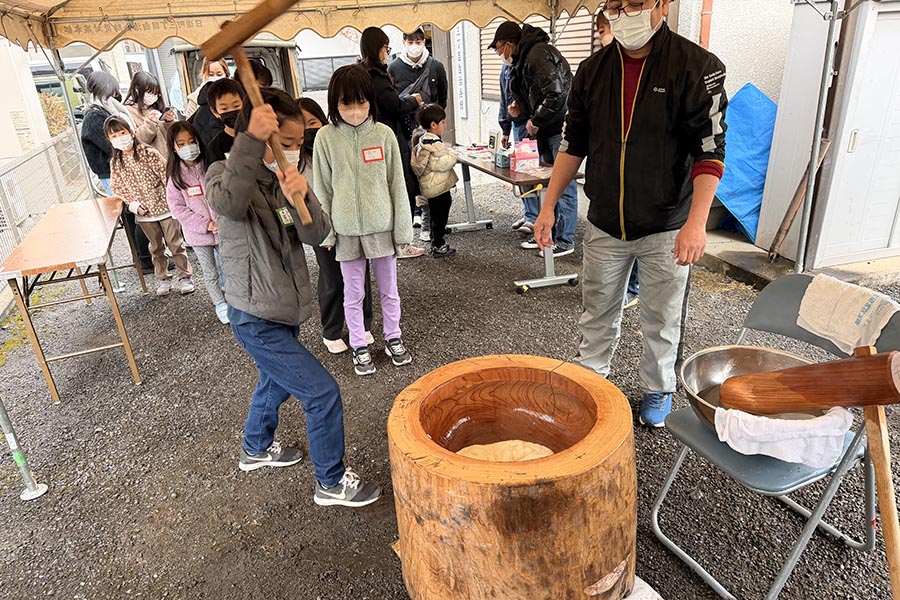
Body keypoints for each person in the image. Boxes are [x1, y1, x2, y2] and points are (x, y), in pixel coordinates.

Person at [534, 0, 728, 427]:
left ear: (662, 4)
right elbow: (573, 143)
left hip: (667, 225)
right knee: (597, 311)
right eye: (615, 6)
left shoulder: (697, 67)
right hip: (605, 222)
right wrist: (548, 205)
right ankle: (591, 383)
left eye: (635, 3)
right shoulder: (592, 71)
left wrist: (696, 222)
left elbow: (710, 151)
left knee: (662, 316)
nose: (624, 14)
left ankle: (658, 388)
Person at [206, 87, 381, 507]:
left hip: (282, 309)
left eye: (299, 142)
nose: (294, 151)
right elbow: (229, 204)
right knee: (321, 393)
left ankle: (254, 448)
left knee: (275, 381)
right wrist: (251, 141)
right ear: (257, 136)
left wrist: (303, 197)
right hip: (254, 315)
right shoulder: (223, 174)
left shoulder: (281, 179)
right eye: (285, 142)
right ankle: (330, 482)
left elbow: (316, 234)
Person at [312, 64, 415, 377]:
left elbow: (397, 184)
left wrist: (403, 230)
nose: (355, 109)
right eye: (347, 103)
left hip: (382, 228)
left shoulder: (384, 135)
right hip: (345, 231)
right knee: (353, 293)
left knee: (390, 290)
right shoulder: (325, 138)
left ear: (371, 101)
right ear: (335, 103)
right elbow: (322, 189)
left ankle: (393, 337)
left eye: (361, 102)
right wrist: (327, 233)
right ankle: (359, 343)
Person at [489, 21, 578, 258]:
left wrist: (536, 119)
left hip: (557, 128)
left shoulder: (536, 55)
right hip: (547, 128)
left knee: (563, 183)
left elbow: (556, 93)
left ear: (509, 44)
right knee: (546, 183)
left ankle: (565, 239)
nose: (499, 54)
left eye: (498, 49)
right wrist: (521, 107)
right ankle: (548, 234)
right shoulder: (523, 58)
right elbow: (537, 93)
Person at [299, 97, 376, 354]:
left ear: (323, 121)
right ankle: (331, 329)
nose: (307, 130)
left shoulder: (337, 145)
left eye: (312, 122)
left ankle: (363, 323)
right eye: (300, 125)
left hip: (351, 222)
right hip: (322, 227)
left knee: (360, 274)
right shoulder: (295, 160)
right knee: (332, 278)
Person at [106, 115, 194, 297]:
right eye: (114, 136)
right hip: (143, 213)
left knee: (175, 243)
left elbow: (166, 176)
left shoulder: (148, 153)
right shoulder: (116, 163)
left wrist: (174, 201)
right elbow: (117, 187)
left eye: (122, 133)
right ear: (109, 139)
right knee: (155, 247)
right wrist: (133, 205)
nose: (119, 138)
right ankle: (163, 278)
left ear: (131, 132)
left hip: (165, 207)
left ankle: (185, 276)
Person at [359, 26, 426, 258]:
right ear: (377, 48)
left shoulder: (362, 72)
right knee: (399, 189)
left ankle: (395, 243)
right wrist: (413, 101)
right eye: (386, 48)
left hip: (376, 140)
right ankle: (402, 243)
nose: (387, 52)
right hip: (389, 139)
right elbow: (394, 106)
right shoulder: (376, 76)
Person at [81, 71, 153, 273]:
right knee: (133, 214)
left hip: (119, 169)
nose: (115, 94)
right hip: (111, 173)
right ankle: (144, 259)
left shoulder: (105, 110)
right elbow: (112, 146)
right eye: (112, 89)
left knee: (135, 214)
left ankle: (147, 257)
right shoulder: (95, 117)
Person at [165, 121, 228, 324]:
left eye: (191, 141)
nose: (188, 147)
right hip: (198, 236)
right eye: (181, 144)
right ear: (174, 147)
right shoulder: (175, 177)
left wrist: (219, 220)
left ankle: (233, 298)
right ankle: (220, 304)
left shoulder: (210, 165)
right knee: (210, 273)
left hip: (221, 229)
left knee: (229, 267)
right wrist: (205, 224)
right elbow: (177, 209)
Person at [410, 104, 458, 258]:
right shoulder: (435, 144)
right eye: (443, 122)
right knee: (440, 217)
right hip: (438, 188)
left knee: (434, 216)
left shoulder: (423, 140)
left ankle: (435, 242)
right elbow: (443, 163)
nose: (445, 125)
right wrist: (453, 154)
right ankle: (438, 245)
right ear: (433, 124)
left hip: (430, 187)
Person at [387, 28, 449, 142]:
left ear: (424, 42)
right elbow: (392, 100)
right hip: (403, 129)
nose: (414, 46)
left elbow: (442, 97)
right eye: (410, 42)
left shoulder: (436, 66)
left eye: (418, 42)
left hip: (430, 128)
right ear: (404, 43)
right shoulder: (393, 68)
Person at [498, 62, 538, 236]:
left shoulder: (527, 64)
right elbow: (504, 98)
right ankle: (529, 213)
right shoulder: (506, 67)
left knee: (531, 172)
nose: (499, 53)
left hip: (531, 124)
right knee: (521, 170)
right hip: (517, 125)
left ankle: (534, 217)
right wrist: (505, 129)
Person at [123, 71, 177, 159]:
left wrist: (169, 121)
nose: (153, 96)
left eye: (156, 93)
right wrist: (151, 123)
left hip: (170, 157)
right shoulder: (128, 111)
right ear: (137, 90)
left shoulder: (156, 106)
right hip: (152, 161)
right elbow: (136, 140)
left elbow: (172, 133)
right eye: (149, 92)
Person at [187, 58, 229, 145]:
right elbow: (190, 128)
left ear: (226, 75)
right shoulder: (194, 98)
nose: (215, 78)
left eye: (219, 74)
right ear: (203, 75)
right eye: (211, 74)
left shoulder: (234, 95)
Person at [205, 78, 245, 165]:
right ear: (215, 112)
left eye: (236, 106)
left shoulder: (260, 136)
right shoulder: (215, 147)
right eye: (224, 108)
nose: (231, 111)